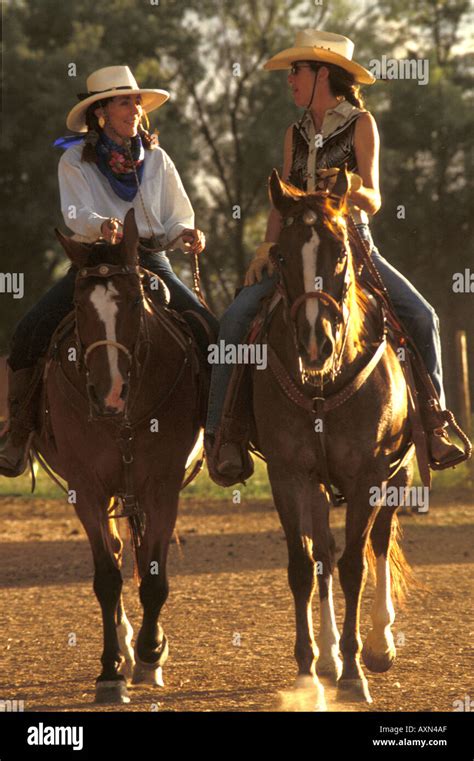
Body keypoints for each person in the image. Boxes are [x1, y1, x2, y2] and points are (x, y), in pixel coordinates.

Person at [205, 29, 465, 481]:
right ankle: (224, 434)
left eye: (296, 72)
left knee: (423, 317)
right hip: (293, 245)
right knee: (234, 320)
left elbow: (377, 197)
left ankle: (435, 420)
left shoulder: (362, 124)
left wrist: (348, 187)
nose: (290, 81)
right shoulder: (294, 133)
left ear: (322, 73)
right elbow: (280, 198)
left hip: (351, 243)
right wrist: (267, 247)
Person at [0, 65, 218, 477]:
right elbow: (74, 212)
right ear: (101, 112)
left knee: (209, 331)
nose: (134, 108)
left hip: (150, 258)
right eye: (124, 101)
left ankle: (222, 435)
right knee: (30, 331)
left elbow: (175, 217)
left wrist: (186, 233)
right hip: (94, 261)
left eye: (136, 101)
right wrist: (100, 224)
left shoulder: (156, 158)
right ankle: (20, 433)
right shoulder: (74, 160)